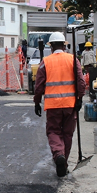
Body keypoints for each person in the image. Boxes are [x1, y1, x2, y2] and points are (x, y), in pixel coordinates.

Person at [33, 32, 87, 177]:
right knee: (67, 134)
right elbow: (81, 82)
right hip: (70, 104)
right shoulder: (73, 59)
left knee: (53, 132)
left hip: (53, 105)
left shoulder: (45, 62)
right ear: (64, 45)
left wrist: (37, 102)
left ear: (51, 47)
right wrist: (80, 98)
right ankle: (64, 161)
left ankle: (58, 155)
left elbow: (38, 86)